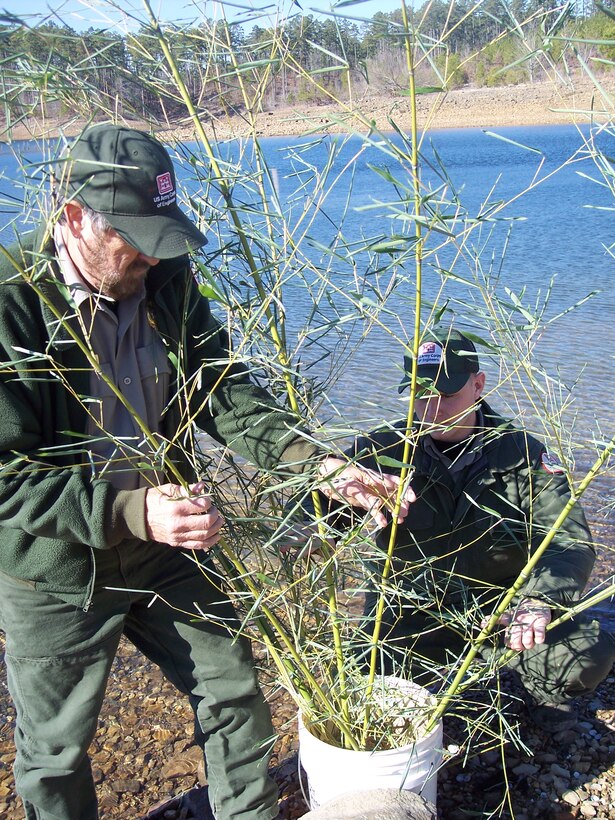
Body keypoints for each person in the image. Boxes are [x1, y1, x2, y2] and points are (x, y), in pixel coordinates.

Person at [0, 123, 413, 820]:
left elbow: (220, 390)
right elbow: (6, 479)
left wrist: (320, 466)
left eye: (160, 232)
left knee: (233, 691)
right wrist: (135, 510)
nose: (150, 255)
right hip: (57, 570)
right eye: (132, 235)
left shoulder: (161, 274)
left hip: (167, 548)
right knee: (56, 752)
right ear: (72, 217)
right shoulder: (11, 304)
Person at [323, 324, 615, 732]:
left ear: (478, 384)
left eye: (445, 394)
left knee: (587, 654)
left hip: (500, 617)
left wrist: (537, 600)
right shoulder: (377, 451)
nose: (432, 407)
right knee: (344, 691)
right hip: (407, 620)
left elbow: (569, 540)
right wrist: (325, 483)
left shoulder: (524, 454)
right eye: (420, 394)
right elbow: (312, 525)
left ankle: (540, 695)